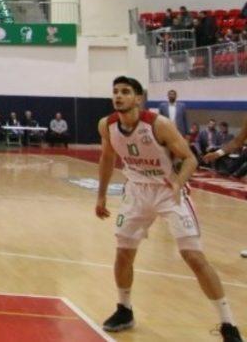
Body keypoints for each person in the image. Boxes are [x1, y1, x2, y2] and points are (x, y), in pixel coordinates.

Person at [95, 76, 240, 340]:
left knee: (194, 257)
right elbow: (107, 158)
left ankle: (228, 323)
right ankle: (124, 309)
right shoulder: (107, 125)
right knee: (123, 253)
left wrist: (177, 183)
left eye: (125, 91)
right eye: (115, 91)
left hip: (167, 190)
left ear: (138, 98)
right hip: (136, 191)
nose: (118, 96)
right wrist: (101, 195)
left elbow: (190, 159)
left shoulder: (158, 124)